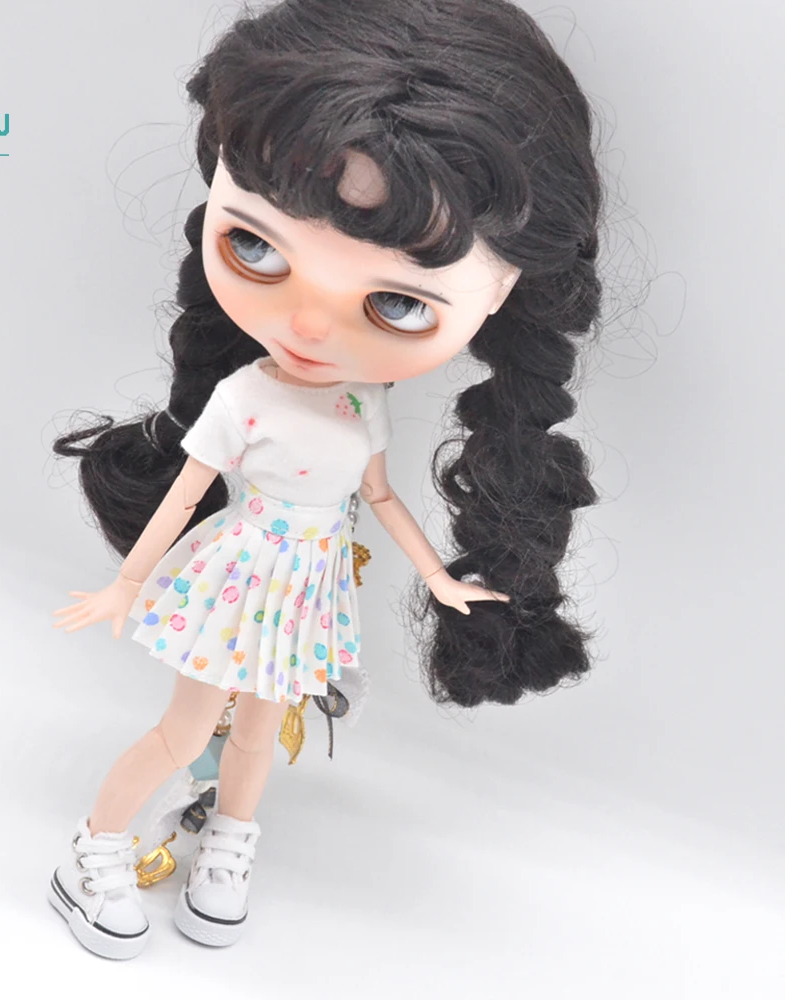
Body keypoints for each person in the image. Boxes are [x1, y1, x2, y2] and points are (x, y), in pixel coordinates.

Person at [49, 0, 602, 958]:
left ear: (506, 290)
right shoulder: (244, 397)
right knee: (183, 729)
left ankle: (227, 845)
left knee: (258, 735)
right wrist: (128, 584)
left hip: (304, 591)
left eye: (397, 304)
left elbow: (378, 494)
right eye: (255, 246)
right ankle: (93, 850)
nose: (307, 325)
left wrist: (439, 580)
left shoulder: (358, 405)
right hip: (239, 577)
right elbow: (186, 492)